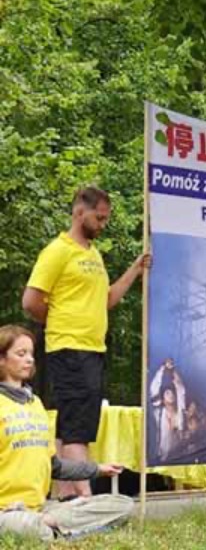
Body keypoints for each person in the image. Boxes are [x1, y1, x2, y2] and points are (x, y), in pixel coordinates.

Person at [21, 186, 150, 499]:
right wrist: (60, 322)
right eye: (99, 217)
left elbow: (105, 300)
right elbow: (31, 300)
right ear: (80, 211)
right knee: (79, 430)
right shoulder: (58, 251)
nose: (103, 224)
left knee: (70, 427)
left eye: (106, 219)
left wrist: (135, 269)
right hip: (69, 348)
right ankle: (86, 501)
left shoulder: (93, 255)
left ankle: (65, 496)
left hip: (93, 350)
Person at [0, 324, 133, 541]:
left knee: (123, 505)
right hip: (6, 512)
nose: (30, 360)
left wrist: (97, 469)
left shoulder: (36, 404)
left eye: (31, 354)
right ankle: (54, 528)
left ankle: (51, 526)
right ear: (1, 359)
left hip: (40, 508)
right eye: (21, 353)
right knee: (29, 527)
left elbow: (54, 466)